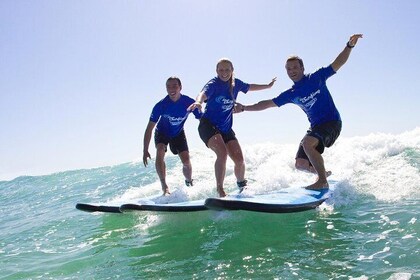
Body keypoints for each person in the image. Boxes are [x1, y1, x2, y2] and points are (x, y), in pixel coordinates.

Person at [235, 34, 363, 190]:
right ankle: (322, 173)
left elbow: (338, 62)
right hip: (316, 127)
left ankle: (322, 181)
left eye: (295, 67)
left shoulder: (317, 77)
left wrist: (349, 45)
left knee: (308, 144)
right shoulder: (291, 93)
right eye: (288, 69)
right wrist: (244, 108)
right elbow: (267, 104)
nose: (292, 71)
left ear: (302, 68)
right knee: (300, 164)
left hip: (332, 122)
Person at [188, 58, 276, 197]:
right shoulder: (213, 84)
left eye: (227, 70)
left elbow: (250, 86)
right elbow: (203, 93)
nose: (224, 73)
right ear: (216, 71)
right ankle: (220, 190)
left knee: (239, 160)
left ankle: (242, 186)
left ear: (232, 70)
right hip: (208, 125)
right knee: (222, 153)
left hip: (225, 128)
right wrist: (198, 102)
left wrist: (268, 86)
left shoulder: (236, 84)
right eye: (221, 70)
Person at [143, 76, 202, 196]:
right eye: (168, 86)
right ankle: (164, 186)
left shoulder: (188, 102)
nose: (172, 89)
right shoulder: (161, 105)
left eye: (175, 86)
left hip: (178, 133)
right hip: (162, 132)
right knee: (160, 150)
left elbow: (203, 118)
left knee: (186, 161)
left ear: (180, 87)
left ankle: (189, 182)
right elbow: (149, 129)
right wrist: (145, 150)